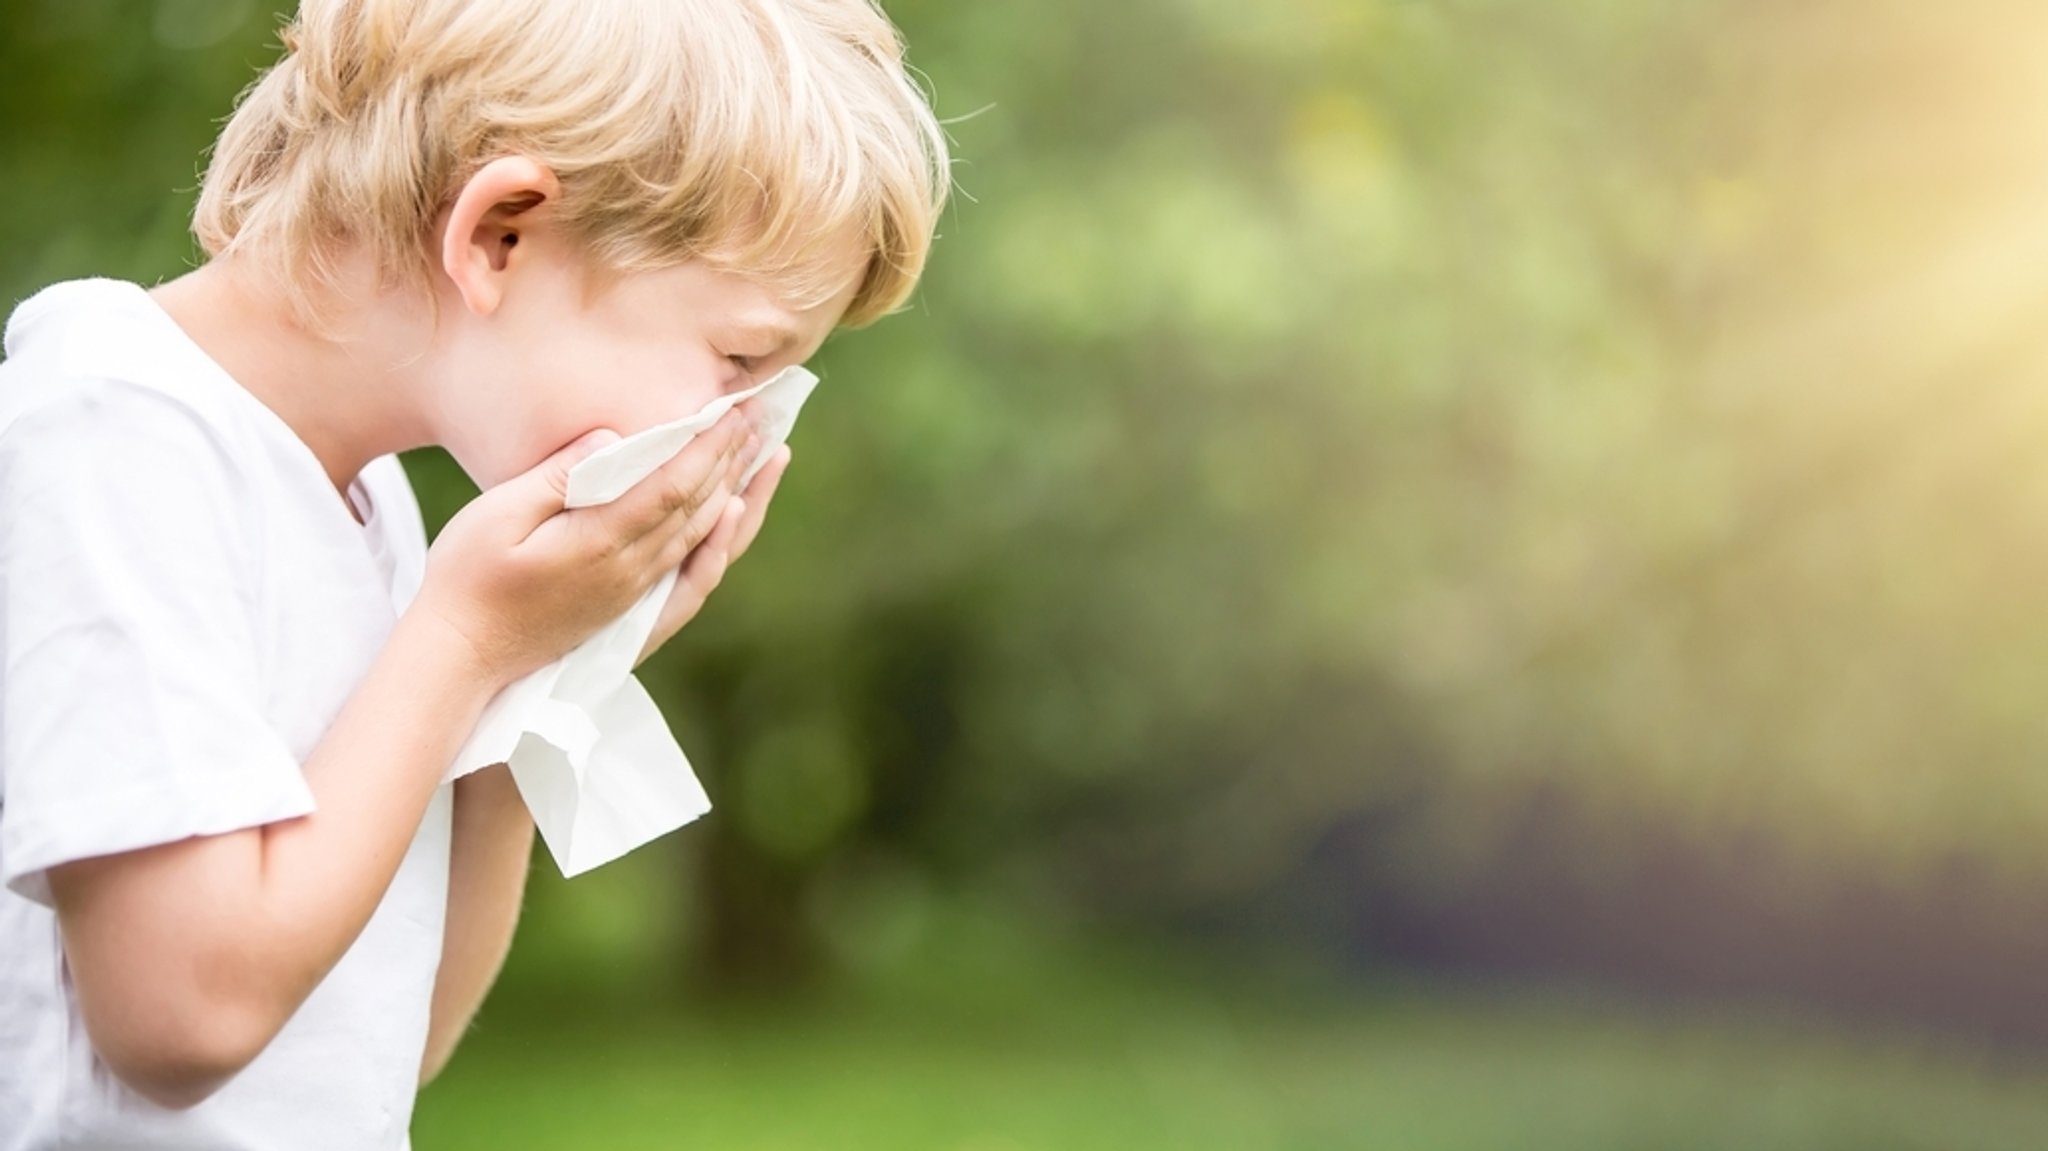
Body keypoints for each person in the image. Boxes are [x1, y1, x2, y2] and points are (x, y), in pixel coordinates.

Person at [0, 0, 949, 1146]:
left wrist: (532, 673)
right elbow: (183, 1015)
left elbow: (399, 1039)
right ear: (499, 234)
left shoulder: (367, 501)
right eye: (741, 358)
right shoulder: (114, 428)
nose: (737, 427)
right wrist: (465, 645)